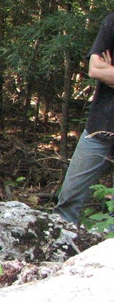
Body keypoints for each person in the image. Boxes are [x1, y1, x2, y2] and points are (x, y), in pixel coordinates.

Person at [55, 12, 114, 224]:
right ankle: (61, 242)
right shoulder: (112, 22)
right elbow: (95, 69)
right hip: (100, 126)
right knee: (68, 200)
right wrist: (103, 70)